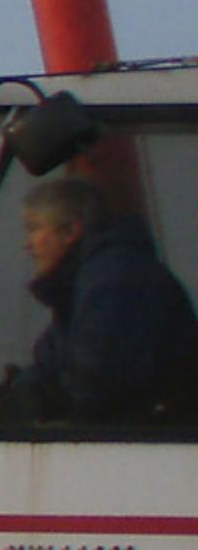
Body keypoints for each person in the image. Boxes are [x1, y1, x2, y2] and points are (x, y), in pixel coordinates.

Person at [19, 173, 198, 425]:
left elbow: (102, 382)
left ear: (70, 231)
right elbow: (48, 365)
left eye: (34, 228)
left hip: (150, 444)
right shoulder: (81, 289)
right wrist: (21, 393)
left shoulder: (117, 281)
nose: (27, 244)